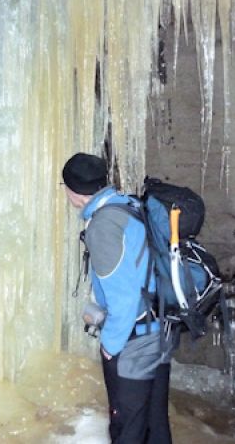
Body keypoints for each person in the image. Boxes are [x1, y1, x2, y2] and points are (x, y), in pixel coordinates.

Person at [62, 152, 174, 444]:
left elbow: (123, 300)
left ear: (75, 193)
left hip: (134, 341)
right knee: (155, 426)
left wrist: (110, 347)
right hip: (159, 328)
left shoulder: (103, 226)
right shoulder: (128, 205)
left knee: (127, 428)